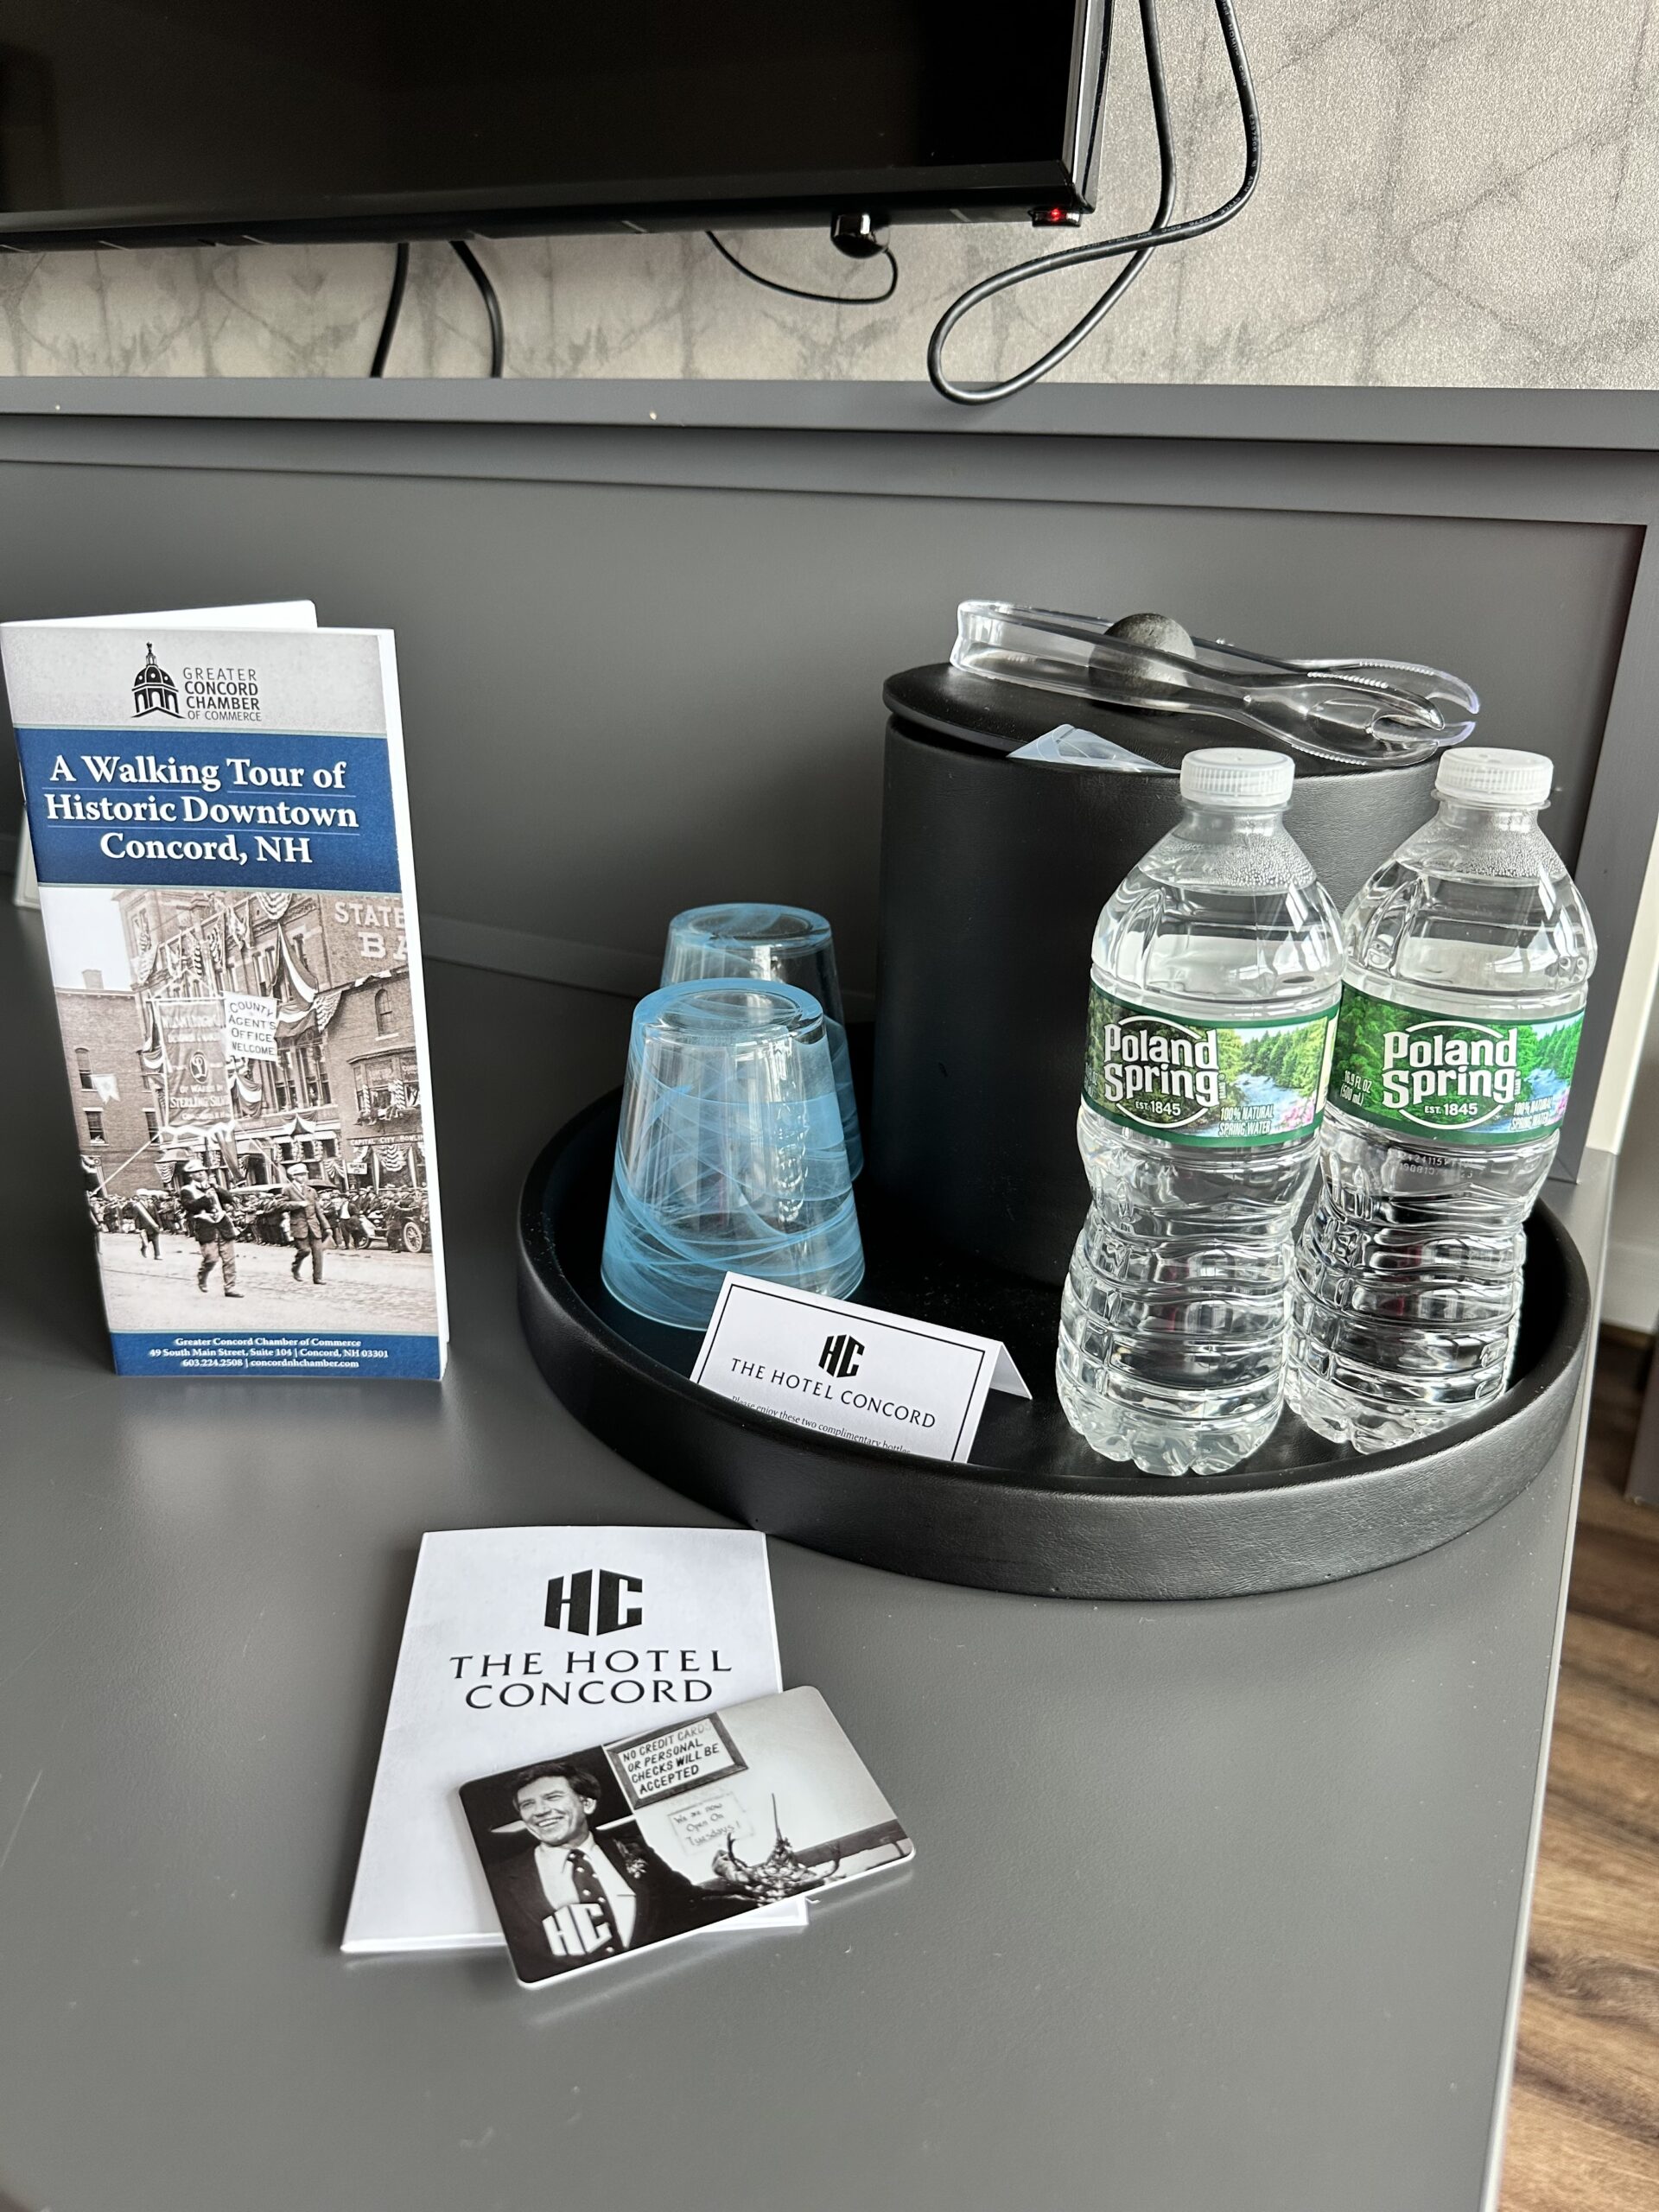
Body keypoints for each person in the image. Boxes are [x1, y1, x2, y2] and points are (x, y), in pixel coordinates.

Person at [484, 1762, 743, 1980]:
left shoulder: (632, 1850)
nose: (539, 1811)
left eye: (552, 1797)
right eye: (527, 1804)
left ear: (587, 1804)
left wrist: (736, 1881)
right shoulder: (498, 1881)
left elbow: (688, 1903)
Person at [180, 1176, 241, 1298]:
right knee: (211, 1259)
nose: (201, 1174)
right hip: (206, 1227)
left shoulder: (213, 1187)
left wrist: (216, 1187)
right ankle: (202, 1275)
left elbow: (229, 1198)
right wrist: (205, 1198)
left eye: (202, 1171)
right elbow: (190, 1206)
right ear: (191, 1175)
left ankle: (230, 1287)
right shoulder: (187, 1190)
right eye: (197, 1172)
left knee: (229, 1260)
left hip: (223, 1226)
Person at [280, 1168, 327, 1286]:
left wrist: (326, 1226)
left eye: (305, 1175)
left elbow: (318, 1210)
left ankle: (318, 1277)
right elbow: (281, 1205)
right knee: (305, 1250)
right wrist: (298, 1204)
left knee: (318, 1252)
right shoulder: (288, 1189)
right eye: (300, 1175)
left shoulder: (311, 1191)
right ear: (293, 1176)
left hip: (313, 1225)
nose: (304, 1177)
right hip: (299, 1225)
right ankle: (295, 1267)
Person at [127, 1192, 162, 1259]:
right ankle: (143, 1249)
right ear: (139, 1196)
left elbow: (157, 1216)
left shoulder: (152, 1205)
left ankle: (157, 1255)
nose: (145, 1197)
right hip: (144, 1226)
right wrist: (137, 1228)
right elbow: (136, 1218)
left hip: (153, 1225)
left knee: (156, 1240)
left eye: (146, 1195)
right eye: (143, 1195)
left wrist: (160, 1225)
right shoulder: (137, 1206)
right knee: (146, 1241)